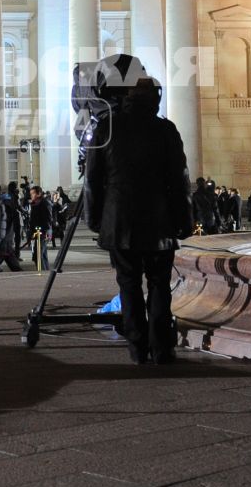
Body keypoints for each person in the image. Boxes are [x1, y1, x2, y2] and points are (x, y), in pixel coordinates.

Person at [81, 57, 192, 365]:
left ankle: (137, 347)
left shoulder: (105, 127)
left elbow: (92, 182)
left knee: (128, 285)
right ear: (155, 100)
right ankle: (162, 348)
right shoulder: (166, 130)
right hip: (159, 223)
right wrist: (185, 221)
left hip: (119, 224)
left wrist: (94, 220)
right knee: (160, 286)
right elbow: (180, 182)